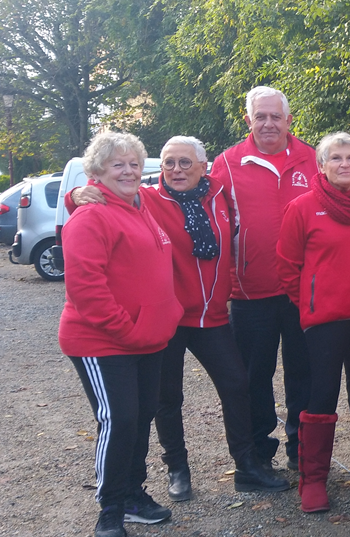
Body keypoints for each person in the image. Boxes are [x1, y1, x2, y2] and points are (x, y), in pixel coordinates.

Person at [67, 137, 289, 501]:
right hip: (169, 318)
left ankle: (247, 465)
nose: (176, 170)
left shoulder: (220, 194)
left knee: (237, 384)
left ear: (204, 167)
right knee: (166, 398)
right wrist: (75, 195)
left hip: (213, 315)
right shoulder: (147, 199)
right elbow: (103, 196)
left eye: (185, 163)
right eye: (169, 163)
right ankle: (177, 468)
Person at [59, 131, 183, 537]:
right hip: (103, 341)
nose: (129, 171)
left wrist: (164, 316)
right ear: (97, 171)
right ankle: (110, 508)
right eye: (118, 165)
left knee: (141, 415)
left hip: (148, 338)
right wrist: (127, 329)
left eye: (134, 163)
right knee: (119, 419)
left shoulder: (141, 204)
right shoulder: (91, 216)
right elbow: (86, 288)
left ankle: (132, 493)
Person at [276, 131, 350, 513]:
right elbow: (288, 266)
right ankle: (313, 481)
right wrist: (310, 302)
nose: (345, 165)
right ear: (322, 165)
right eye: (336, 158)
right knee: (321, 397)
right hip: (325, 321)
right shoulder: (303, 207)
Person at [209, 86, 319, 472]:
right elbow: (178, 196)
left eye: (276, 116)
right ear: (248, 120)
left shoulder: (313, 160)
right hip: (249, 292)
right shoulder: (226, 163)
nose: (269, 123)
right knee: (254, 378)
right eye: (261, 116)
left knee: (303, 375)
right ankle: (258, 453)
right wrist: (80, 196)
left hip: (303, 291)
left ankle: (302, 450)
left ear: (290, 120)